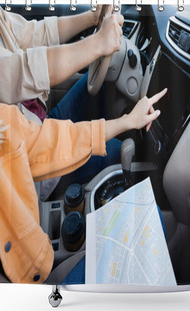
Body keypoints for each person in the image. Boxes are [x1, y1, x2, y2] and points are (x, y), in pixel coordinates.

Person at [0, 88, 167, 284]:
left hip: (34, 263)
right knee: (148, 219)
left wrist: (127, 121)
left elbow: (49, 141)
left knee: (146, 215)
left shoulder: (5, 121)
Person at [0, 5, 127, 197]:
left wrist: (92, 17)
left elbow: (34, 34)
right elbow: (22, 71)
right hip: (37, 161)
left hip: (41, 122)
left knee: (96, 85)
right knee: (119, 150)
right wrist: (99, 43)